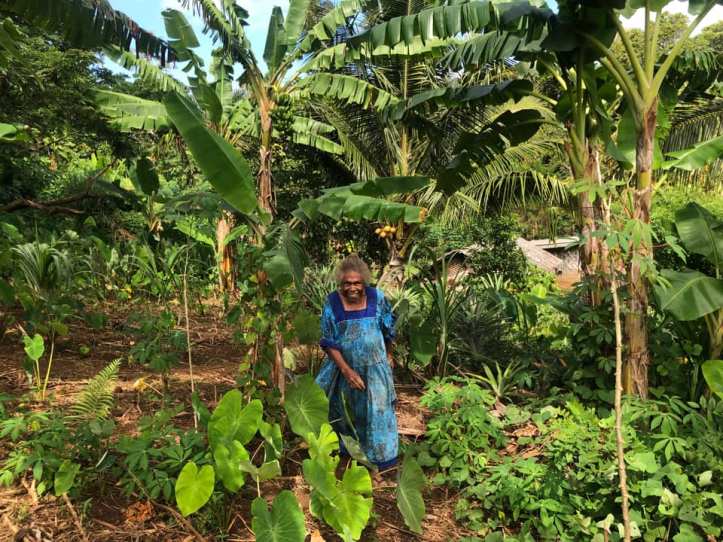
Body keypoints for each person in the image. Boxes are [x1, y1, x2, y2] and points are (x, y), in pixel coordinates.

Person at [315, 254, 398, 469]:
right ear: (340, 284)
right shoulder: (332, 303)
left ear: (364, 282)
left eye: (357, 283)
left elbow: (389, 329)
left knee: (379, 412)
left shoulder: (378, 298)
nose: (353, 287)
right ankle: (351, 456)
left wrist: (387, 357)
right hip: (343, 369)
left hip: (376, 369)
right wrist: (347, 371)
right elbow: (328, 341)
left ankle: (382, 461)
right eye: (347, 283)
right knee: (346, 413)